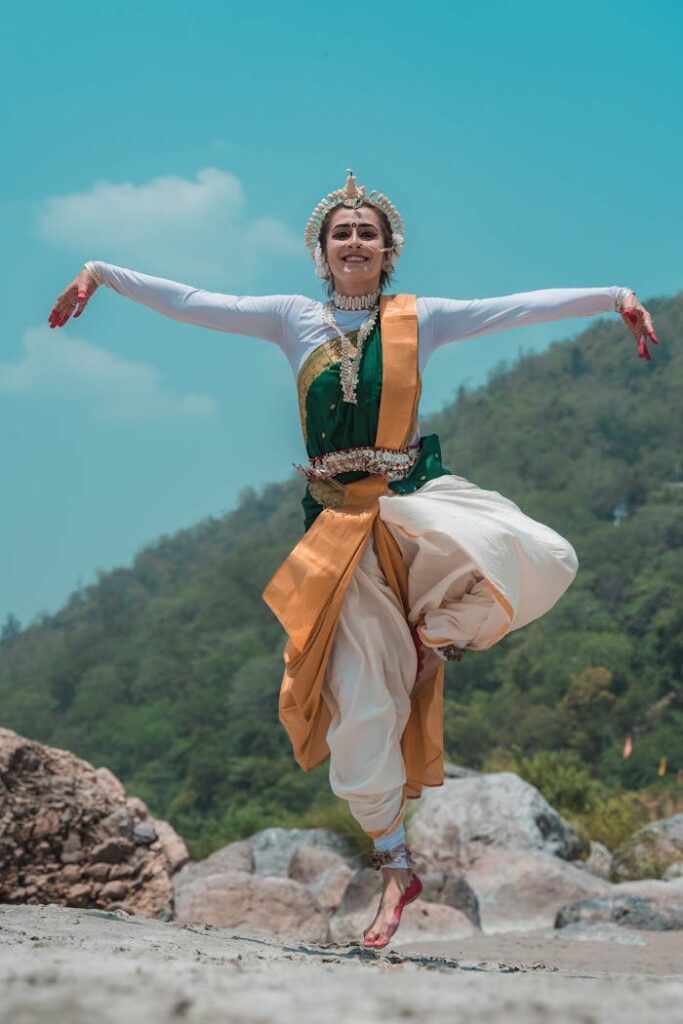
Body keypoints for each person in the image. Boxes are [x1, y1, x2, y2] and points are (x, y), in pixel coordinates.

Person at [48, 170, 659, 949]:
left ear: (388, 248)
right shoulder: (290, 318)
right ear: (321, 251)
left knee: (543, 553)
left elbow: (515, 307)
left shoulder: (419, 317)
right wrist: (101, 274)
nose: (354, 242)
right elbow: (195, 302)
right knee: (360, 713)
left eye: (367, 231)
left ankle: (433, 641)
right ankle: (395, 866)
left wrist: (613, 296)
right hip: (339, 526)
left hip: (412, 499)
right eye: (341, 232)